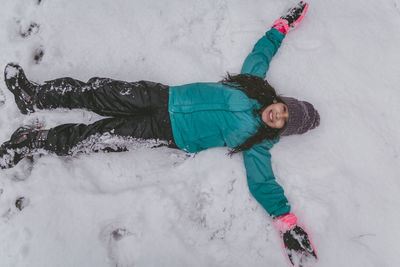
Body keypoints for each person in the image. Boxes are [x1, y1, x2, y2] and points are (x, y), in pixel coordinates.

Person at [0, 1, 318, 265]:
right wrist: (284, 24)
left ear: (281, 129)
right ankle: (35, 97)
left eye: (283, 121)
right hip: (163, 97)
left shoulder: (257, 143)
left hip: (165, 131)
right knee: (95, 91)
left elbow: (263, 183)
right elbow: (264, 50)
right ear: (281, 101)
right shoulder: (254, 84)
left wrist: (287, 223)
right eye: (284, 109)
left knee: (96, 138)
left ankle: (31, 143)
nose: (278, 115)